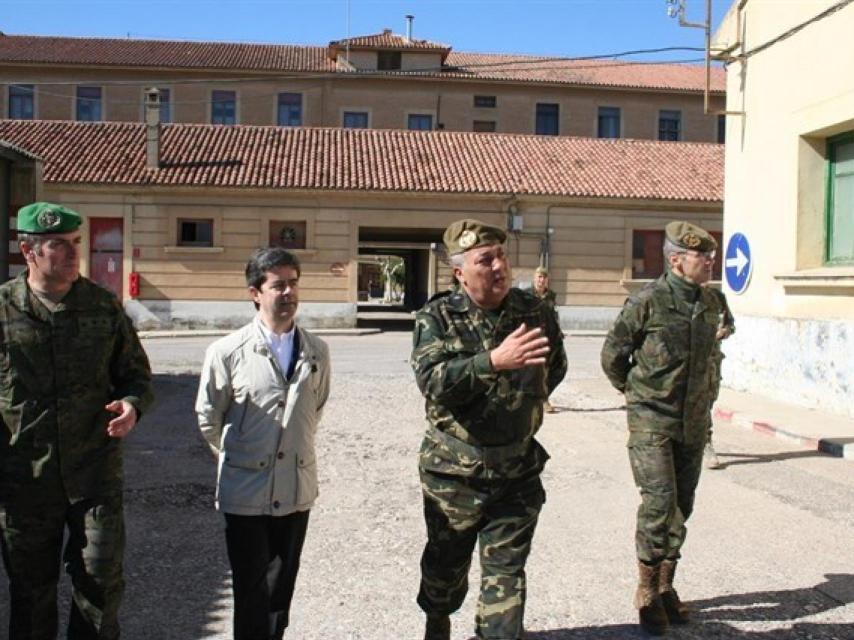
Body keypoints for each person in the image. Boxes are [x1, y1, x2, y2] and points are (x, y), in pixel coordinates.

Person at [0, 201, 154, 639]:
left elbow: (136, 376)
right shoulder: (4, 309)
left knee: (101, 586)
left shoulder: (102, 307)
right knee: (31, 593)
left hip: (94, 474)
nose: (73, 253)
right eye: (59, 244)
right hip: (25, 479)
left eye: (76, 242)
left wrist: (132, 405)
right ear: (28, 251)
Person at [411, 219, 567, 640]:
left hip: (516, 471)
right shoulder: (438, 316)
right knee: (446, 568)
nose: (499, 266)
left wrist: (518, 408)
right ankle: (438, 618)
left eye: (501, 255)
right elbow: (433, 381)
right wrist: (493, 362)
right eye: (485, 259)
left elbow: (555, 367)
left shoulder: (534, 311)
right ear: (460, 272)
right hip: (453, 475)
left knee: (506, 577)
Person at [196, 247, 330, 640]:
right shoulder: (227, 352)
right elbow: (209, 417)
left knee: (280, 588)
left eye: (293, 283)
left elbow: (315, 408)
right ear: (255, 293)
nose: (288, 292)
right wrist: (240, 457)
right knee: (250, 588)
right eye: (278, 285)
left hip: (295, 488)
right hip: (245, 490)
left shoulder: (317, 351)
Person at [600, 221, 727, 636]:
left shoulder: (712, 302)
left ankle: (667, 584)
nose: (710, 261)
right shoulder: (647, 302)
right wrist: (638, 395)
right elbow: (613, 356)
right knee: (659, 504)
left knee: (681, 506)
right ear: (676, 261)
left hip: (693, 421)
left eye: (710, 255)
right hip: (652, 420)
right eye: (701, 256)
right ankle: (647, 591)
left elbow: (716, 350)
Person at [703, 285, 735, 470]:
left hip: (711, 361)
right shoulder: (674, 295)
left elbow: (730, 324)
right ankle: (703, 444)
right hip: (685, 363)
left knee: (707, 401)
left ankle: (702, 443)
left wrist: (724, 332)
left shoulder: (716, 297)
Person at [527, 266, 560, 413]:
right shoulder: (526, 295)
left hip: (547, 337)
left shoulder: (551, 296)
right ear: (534, 278)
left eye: (544, 277)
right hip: (531, 336)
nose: (541, 280)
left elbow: (554, 316)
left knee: (549, 368)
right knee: (530, 370)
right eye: (539, 277)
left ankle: (544, 398)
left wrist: (558, 332)